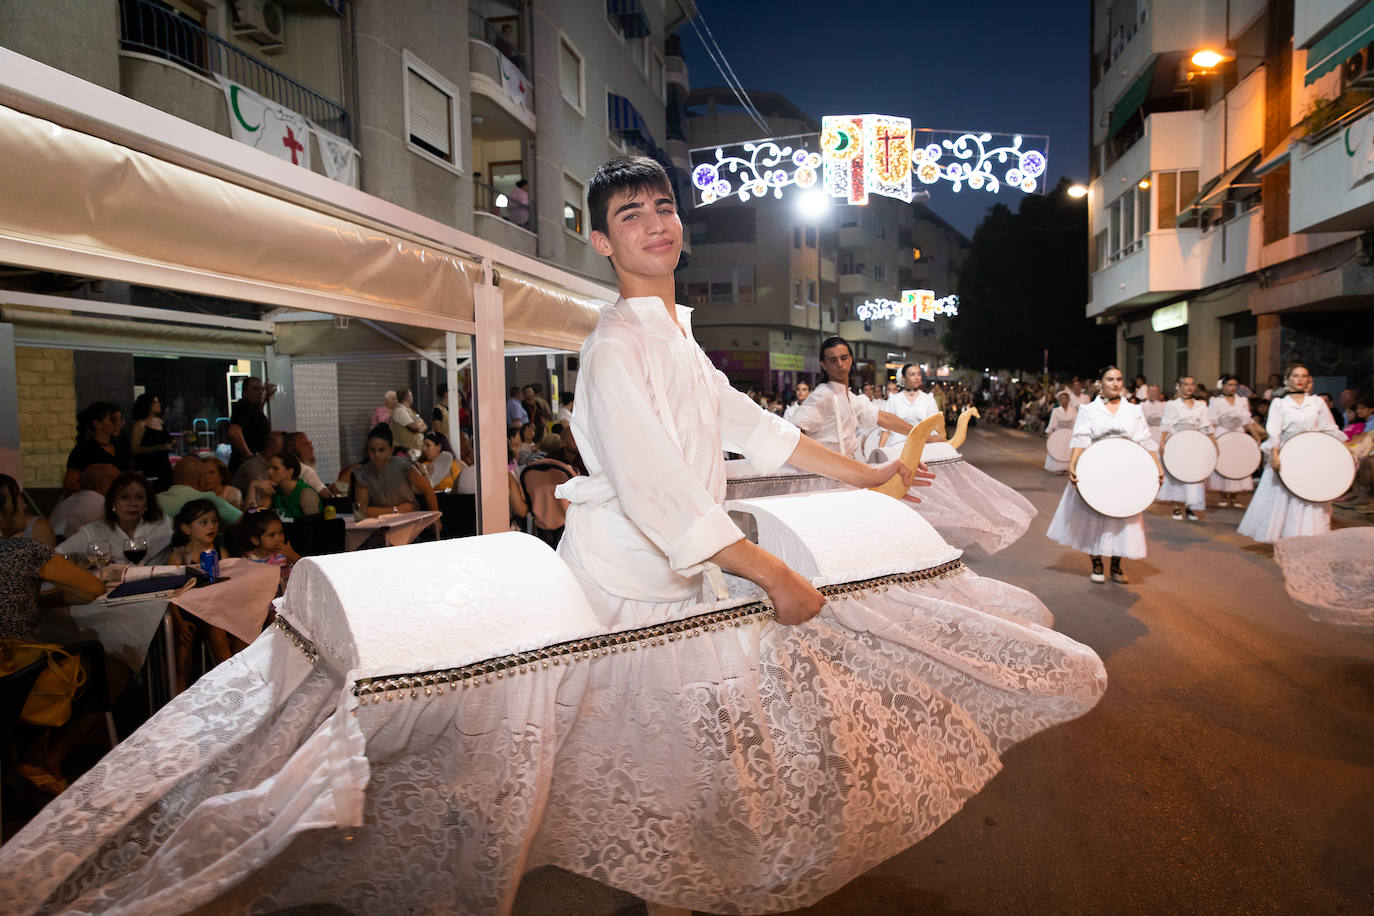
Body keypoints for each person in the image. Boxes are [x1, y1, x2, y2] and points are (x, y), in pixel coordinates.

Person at [546, 156, 1103, 910]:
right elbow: (657, 492)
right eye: (630, 215)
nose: (654, 224)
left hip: (684, 576)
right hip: (630, 589)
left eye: (662, 206)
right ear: (603, 243)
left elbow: (759, 430)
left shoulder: (675, 338)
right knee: (666, 776)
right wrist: (769, 571)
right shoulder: (616, 347)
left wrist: (867, 476)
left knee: (700, 773)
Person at [0, 474, 108, 796]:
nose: (23, 505)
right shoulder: (23, 550)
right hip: (13, 670)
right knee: (91, 659)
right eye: (18, 499)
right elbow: (92, 588)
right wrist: (43, 597)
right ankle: (41, 759)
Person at [1047, 365, 1164, 583]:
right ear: (1101, 383)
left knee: (1124, 513)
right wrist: (1073, 465)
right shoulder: (1088, 410)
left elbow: (1145, 440)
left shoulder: (1134, 410)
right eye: (1110, 379)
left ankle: (1117, 566)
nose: (1116, 383)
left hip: (1127, 470)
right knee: (1096, 514)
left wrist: (1157, 467)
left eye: (1119, 379)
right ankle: (1098, 564)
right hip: (1097, 469)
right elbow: (1080, 438)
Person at [1238, 363, 1347, 543]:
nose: (1300, 380)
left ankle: (1309, 532)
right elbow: (1274, 431)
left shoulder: (1317, 402)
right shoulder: (1280, 403)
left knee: (1308, 490)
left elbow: (1329, 428)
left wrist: (1340, 450)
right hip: (1288, 451)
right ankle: (1286, 533)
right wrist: (1273, 453)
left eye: (1304, 376)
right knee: (1286, 492)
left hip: (1311, 452)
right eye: (1295, 376)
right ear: (1287, 380)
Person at [790, 337, 916, 459]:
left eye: (843, 358)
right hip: (825, 472)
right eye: (833, 360)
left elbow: (884, 418)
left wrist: (922, 435)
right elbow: (794, 432)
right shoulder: (822, 394)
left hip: (845, 468)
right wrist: (820, 460)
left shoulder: (850, 397)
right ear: (823, 365)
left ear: (850, 359)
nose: (840, 364)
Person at [58, 471, 172, 565]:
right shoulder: (94, 531)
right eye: (125, 497)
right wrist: (84, 562)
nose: (133, 503)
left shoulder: (162, 525)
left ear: (147, 502)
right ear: (113, 502)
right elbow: (56, 555)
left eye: (139, 497)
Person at [352, 425, 440, 523]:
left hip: (410, 521)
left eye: (381, 450)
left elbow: (427, 489)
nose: (376, 455)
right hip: (379, 524)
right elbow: (360, 511)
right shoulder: (363, 473)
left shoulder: (404, 467)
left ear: (391, 449)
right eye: (372, 450)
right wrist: (396, 510)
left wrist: (436, 519)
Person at [1157, 376, 1213, 521]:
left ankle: (1190, 506)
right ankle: (1176, 506)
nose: (1189, 387)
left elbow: (1205, 425)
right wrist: (1162, 443)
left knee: (1193, 475)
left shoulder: (1200, 405)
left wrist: (1214, 442)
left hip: (1195, 443)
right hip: (1177, 443)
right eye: (1185, 384)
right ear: (1179, 386)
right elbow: (1166, 424)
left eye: (1191, 384)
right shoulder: (1173, 404)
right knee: (1177, 474)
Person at [1208, 374, 1265, 508]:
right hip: (1223, 433)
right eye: (1229, 385)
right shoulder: (1216, 401)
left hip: (1239, 434)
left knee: (1238, 462)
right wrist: (1211, 438)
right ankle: (1223, 495)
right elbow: (1212, 421)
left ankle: (1234, 496)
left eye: (1234, 385)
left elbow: (1247, 421)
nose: (1232, 388)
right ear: (1223, 386)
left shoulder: (1242, 401)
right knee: (1223, 462)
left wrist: (1256, 436)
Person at [157, 454, 243, 525]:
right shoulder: (206, 498)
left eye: (211, 473)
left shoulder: (156, 499)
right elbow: (244, 521)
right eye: (206, 475)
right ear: (201, 480)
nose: (208, 479)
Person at [63, 402, 129, 494]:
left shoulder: (121, 447)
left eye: (121, 419)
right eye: (113, 420)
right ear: (98, 424)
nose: (119, 424)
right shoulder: (83, 450)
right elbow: (69, 487)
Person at [876, 364, 940, 453]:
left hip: (924, 447)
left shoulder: (928, 399)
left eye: (919, 374)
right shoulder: (894, 400)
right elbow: (886, 430)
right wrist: (880, 451)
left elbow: (935, 426)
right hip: (899, 447)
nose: (916, 377)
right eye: (912, 374)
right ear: (903, 377)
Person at [49, 463, 120, 539]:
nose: (120, 488)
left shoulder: (67, 499)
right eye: (116, 484)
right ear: (98, 486)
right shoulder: (102, 503)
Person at [246, 452, 320, 520]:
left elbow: (314, 525)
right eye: (268, 467)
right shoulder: (273, 490)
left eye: (275, 468)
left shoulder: (305, 493)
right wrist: (252, 486)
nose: (269, 472)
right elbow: (253, 516)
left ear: (290, 472)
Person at [226, 378, 275, 472]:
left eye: (262, 389)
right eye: (256, 389)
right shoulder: (243, 407)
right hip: (244, 466)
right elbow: (233, 432)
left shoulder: (253, 408)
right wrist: (249, 456)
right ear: (244, 392)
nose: (260, 392)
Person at [128, 392, 173, 492]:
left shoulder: (160, 421)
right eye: (155, 402)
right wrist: (158, 448)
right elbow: (135, 448)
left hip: (164, 466)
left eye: (158, 402)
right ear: (147, 405)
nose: (159, 404)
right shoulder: (140, 424)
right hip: (149, 467)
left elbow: (166, 440)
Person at [1, 477, 58, 549]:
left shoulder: (39, 528)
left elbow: (51, 559)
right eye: (17, 502)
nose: (25, 506)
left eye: (21, 499)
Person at [230, 430, 284, 499]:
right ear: (270, 450)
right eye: (282, 450)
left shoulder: (264, 464)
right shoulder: (253, 468)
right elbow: (260, 500)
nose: (284, 454)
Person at [1044, 390, 1077, 473]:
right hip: (1058, 433)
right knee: (1058, 450)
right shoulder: (1056, 410)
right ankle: (1058, 468)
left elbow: (1075, 423)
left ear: (1069, 400)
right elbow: (1052, 423)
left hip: (1069, 433)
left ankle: (1068, 467)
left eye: (1066, 398)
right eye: (1062, 399)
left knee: (1068, 451)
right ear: (1059, 400)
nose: (1064, 400)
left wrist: (1076, 433)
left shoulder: (1073, 410)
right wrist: (1049, 432)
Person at [389, 387, 427, 458]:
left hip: (416, 447)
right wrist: (419, 427)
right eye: (411, 396)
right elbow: (415, 426)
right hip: (406, 450)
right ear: (408, 397)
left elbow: (424, 425)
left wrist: (419, 428)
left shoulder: (410, 411)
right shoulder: (400, 411)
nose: (412, 398)